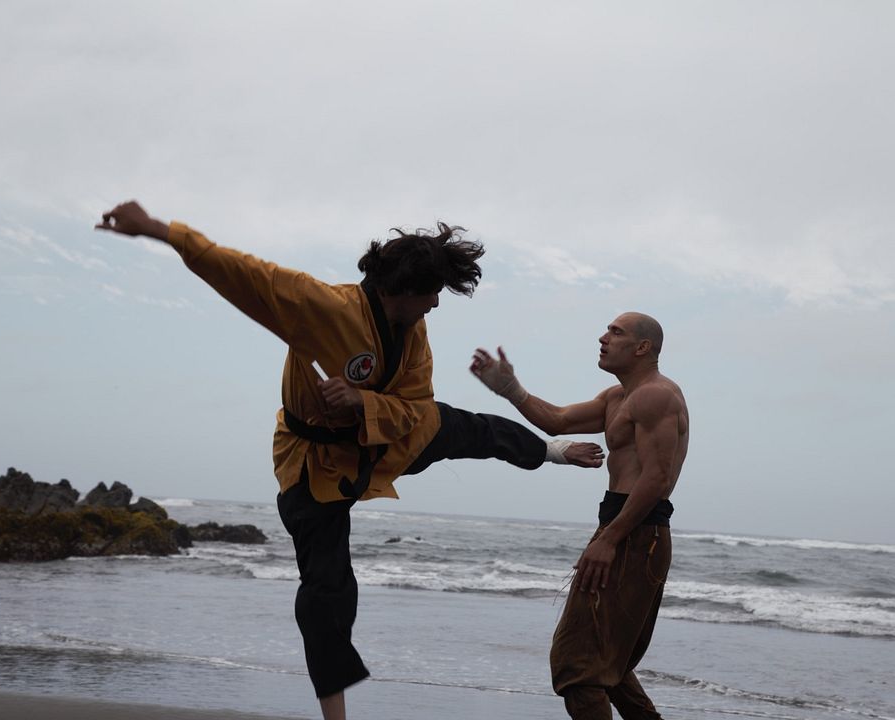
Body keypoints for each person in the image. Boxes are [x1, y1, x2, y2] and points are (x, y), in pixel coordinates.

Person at [95, 201, 604, 720]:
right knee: (327, 590)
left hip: (388, 438)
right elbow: (242, 271)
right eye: (431, 294)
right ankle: (335, 716)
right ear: (400, 289)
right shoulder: (323, 307)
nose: (435, 305)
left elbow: (415, 406)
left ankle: (550, 449)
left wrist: (362, 402)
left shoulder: (414, 330)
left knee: (470, 428)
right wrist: (155, 229)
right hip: (313, 464)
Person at [471, 312, 688, 720]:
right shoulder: (618, 397)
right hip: (624, 528)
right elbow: (557, 420)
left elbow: (657, 478)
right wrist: (510, 389)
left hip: (637, 533)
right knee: (611, 664)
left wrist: (609, 540)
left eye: (616, 332)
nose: (602, 337)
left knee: (578, 667)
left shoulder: (656, 396)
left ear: (643, 348)